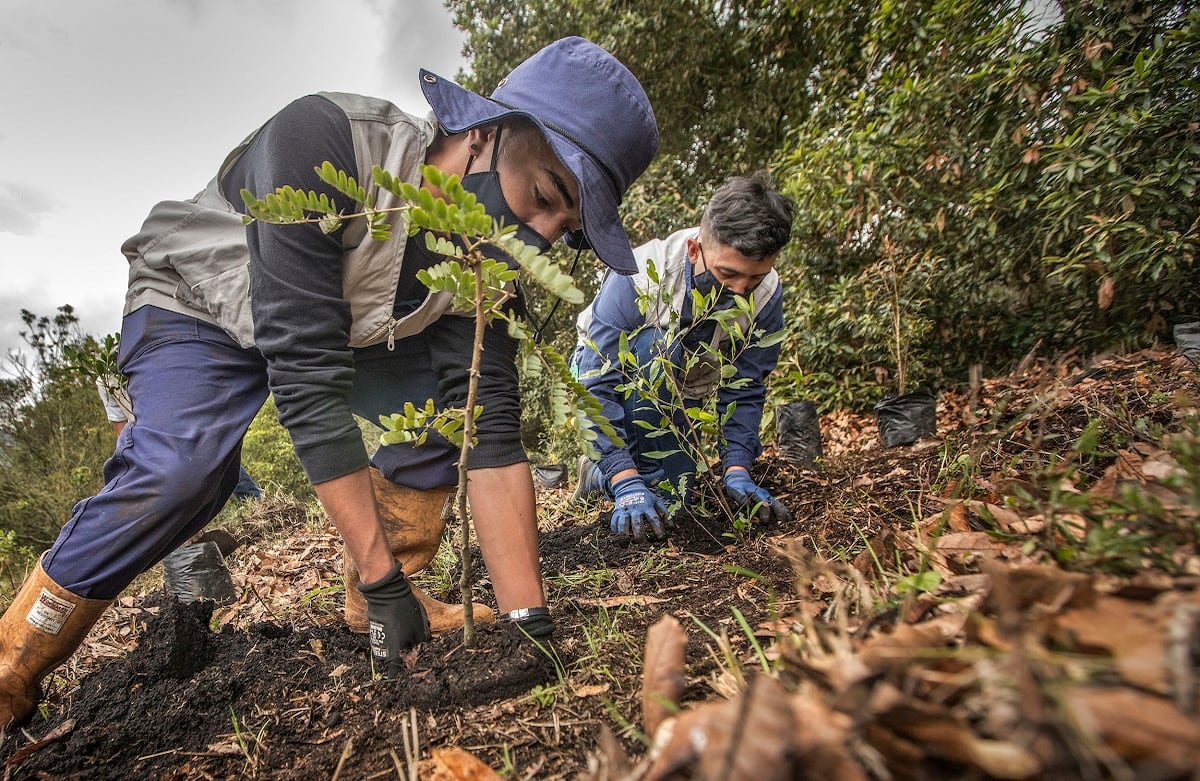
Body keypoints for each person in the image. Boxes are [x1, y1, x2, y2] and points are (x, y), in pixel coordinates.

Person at [0, 36, 658, 728]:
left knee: (446, 411)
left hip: (344, 326)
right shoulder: (326, 143)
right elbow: (306, 381)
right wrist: (379, 580)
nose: (544, 234)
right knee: (187, 471)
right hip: (198, 302)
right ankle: (14, 660)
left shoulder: (482, 268)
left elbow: (488, 429)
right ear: (486, 134)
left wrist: (531, 625)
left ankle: (390, 586)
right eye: (547, 196)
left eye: (568, 229)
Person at [571, 172, 794, 541]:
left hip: (682, 384)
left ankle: (600, 476)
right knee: (654, 346)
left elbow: (746, 386)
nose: (739, 290)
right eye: (728, 273)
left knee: (676, 496)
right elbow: (594, 385)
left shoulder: (767, 296)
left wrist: (737, 468)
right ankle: (609, 470)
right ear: (695, 249)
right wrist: (626, 479)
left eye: (753, 279)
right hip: (605, 372)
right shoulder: (639, 276)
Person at [97, 377, 262, 502]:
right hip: (146, 439)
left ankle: (256, 502)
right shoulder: (105, 380)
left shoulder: (150, 357)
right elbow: (121, 429)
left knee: (214, 456)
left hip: (179, 424)